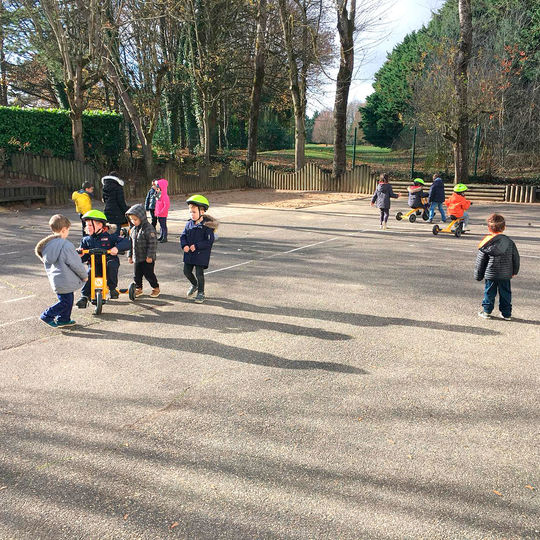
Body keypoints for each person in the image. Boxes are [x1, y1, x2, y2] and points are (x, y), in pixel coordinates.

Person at [35, 214, 88, 328]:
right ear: (64, 230)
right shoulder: (66, 245)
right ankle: (47, 315)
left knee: (67, 300)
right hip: (66, 279)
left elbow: (61, 257)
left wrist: (75, 253)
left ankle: (64, 319)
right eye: (68, 230)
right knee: (65, 302)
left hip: (57, 280)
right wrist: (84, 275)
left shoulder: (48, 245)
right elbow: (75, 264)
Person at [75, 210, 130, 308]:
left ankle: (112, 288)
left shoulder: (110, 237)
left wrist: (116, 248)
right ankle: (84, 296)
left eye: (90, 225)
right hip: (95, 263)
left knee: (111, 265)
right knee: (90, 273)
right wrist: (80, 255)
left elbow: (127, 242)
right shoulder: (86, 240)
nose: (87, 227)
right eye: (86, 225)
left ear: (100, 225)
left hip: (109, 260)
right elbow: (84, 257)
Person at [475, 213, 520, 321]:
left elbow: (481, 261)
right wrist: (515, 271)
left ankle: (486, 311)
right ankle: (506, 314)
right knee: (506, 293)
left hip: (491, 274)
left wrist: (478, 274)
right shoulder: (509, 242)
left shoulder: (486, 243)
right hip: (505, 273)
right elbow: (516, 258)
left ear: (489, 228)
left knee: (489, 292)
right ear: (504, 227)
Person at [180, 194, 219, 304]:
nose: (192, 214)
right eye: (190, 212)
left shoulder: (207, 226)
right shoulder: (189, 224)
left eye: (194, 212)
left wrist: (197, 246)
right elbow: (183, 236)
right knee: (186, 271)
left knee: (199, 273)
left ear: (202, 212)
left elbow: (209, 241)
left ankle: (201, 292)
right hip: (189, 254)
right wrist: (184, 245)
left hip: (201, 255)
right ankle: (194, 284)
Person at [125, 203, 160, 298]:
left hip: (147, 258)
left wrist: (150, 256)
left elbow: (152, 244)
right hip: (137, 257)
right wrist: (130, 255)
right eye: (132, 219)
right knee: (137, 275)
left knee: (149, 274)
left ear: (142, 217)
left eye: (135, 219)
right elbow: (130, 244)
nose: (133, 221)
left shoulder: (148, 229)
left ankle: (155, 287)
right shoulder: (133, 229)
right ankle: (138, 288)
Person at [154, 178, 170, 243]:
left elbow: (166, 206)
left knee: (163, 226)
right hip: (159, 213)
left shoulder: (165, 196)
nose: (157, 190)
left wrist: (161, 212)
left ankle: (164, 237)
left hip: (163, 214)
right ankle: (161, 235)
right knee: (161, 225)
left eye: (158, 189)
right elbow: (157, 205)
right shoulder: (159, 195)